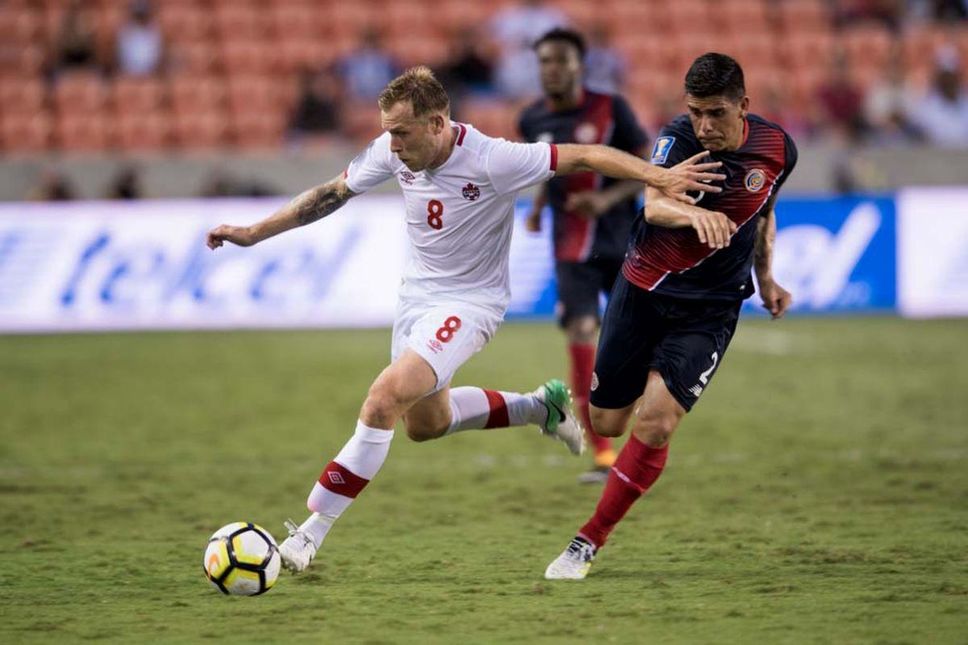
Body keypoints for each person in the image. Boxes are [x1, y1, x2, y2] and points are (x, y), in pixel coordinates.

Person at [206, 66, 724, 574]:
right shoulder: (394, 150)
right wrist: (254, 232)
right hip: (415, 299)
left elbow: (585, 155)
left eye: (402, 133)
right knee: (424, 425)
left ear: (437, 124)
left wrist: (659, 175)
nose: (393, 145)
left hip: (470, 303)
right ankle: (538, 408)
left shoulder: (492, 158)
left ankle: (308, 534)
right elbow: (330, 194)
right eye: (388, 133)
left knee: (384, 398)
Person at [544, 53, 797, 580]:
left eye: (717, 114)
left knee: (656, 423)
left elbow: (765, 212)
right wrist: (696, 212)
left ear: (744, 107)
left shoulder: (776, 150)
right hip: (642, 293)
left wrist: (767, 278)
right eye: (696, 111)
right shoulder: (679, 139)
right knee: (606, 421)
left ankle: (586, 543)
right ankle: (556, 406)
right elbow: (655, 204)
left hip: (709, 309)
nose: (705, 125)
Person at [519, 28, 650, 484]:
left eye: (560, 61)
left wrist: (606, 201)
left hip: (622, 243)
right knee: (580, 330)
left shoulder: (612, 109)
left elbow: (646, 169)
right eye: (545, 62)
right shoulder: (531, 120)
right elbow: (542, 169)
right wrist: (537, 209)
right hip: (571, 247)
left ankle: (642, 433)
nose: (552, 69)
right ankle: (603, 454)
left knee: (632, 340)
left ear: (580, 65)